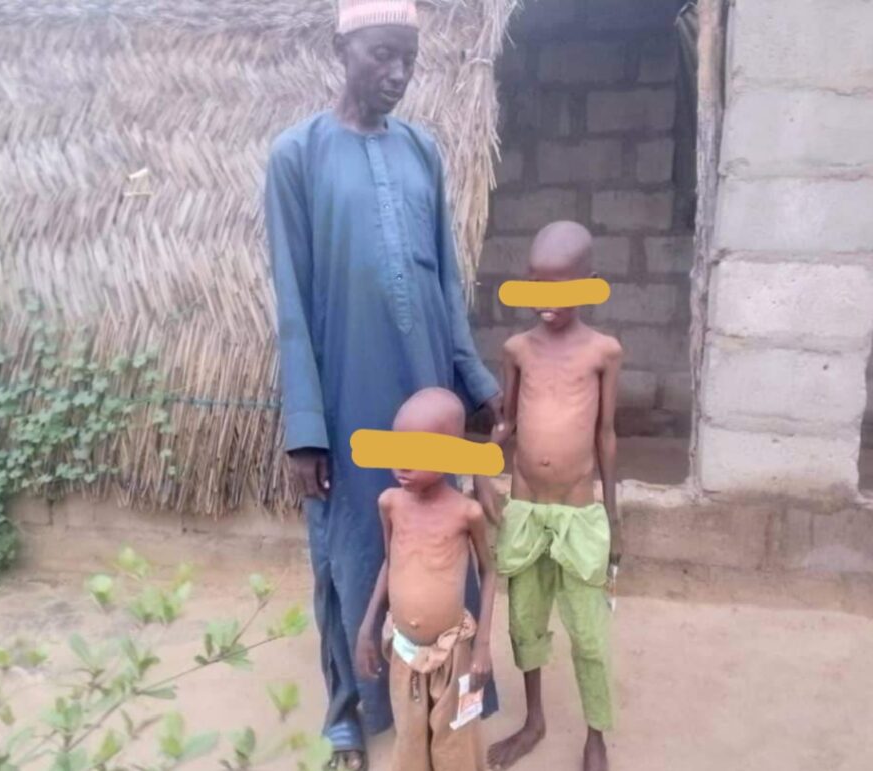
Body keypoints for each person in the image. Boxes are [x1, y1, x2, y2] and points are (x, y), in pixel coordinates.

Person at [264, 1, 501, 767]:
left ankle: (454, 694)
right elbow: (292, 301)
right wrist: (305, 425)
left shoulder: (424, 150)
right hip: (347, 389)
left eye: (409, 57)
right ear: (343, 48)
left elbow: (444, 277)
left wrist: (472, 378)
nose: (397, 73)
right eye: (381, 54)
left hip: (428, 384)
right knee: (351, 548)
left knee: (441, 537)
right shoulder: (295, 155)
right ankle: (348, 711)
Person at [486, 222, 623, 771]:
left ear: (589, 284)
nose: (547, 301)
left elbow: (606, 434)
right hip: (525, 507)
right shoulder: (517, 349)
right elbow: (509, 422)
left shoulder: (603, 352)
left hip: (576, 510)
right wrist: (488, 458)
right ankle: (534, 719)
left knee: (589, 632)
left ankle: (596, 733)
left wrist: (613, 515)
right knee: (525, 622)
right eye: (537, 285)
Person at [354, 388, 496, 771]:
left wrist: (483, 645)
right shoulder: (391, 504)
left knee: (455, 743)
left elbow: (490, 569)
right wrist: (367, 629)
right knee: (411, 740)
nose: (401, 464)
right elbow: (390, 562)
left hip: (453, 652)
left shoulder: (466, 514)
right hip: (403, 650)